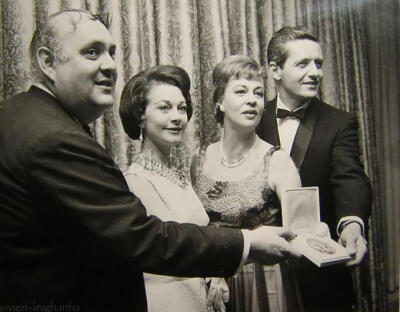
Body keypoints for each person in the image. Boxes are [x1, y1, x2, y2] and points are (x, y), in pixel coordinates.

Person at [0, 10, 301, 312]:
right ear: (48, 62)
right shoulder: (55, 138)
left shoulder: (23, 117)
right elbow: (140, 238)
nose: (109, 65)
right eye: (91, 52)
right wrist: (247, 244)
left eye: (112, 53)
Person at [256, 26, 372, 312]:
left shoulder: (340, 123)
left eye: (318, 63)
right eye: (303, 63)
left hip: (320, 272)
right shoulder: (253, 120)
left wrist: (352, 224)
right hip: (265, 270)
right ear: (275, 69)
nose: (315, 72)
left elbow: (350, 177)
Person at [193, 55, 304, 312]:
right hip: (210, 282)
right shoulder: (198, 159)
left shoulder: (278, 161)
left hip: (263, 286)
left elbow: (300, 239)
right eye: (241, 91)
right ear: (220, 101)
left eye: (258, 93)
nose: (252, 100)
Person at [119, 65, 227, 311]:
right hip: (165, 300)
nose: (178, 117)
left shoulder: (178, 174)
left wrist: (215, 274)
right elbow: (168, 250)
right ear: (141, 116)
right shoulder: (135, 181)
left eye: (182, 108)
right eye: (164, 108)